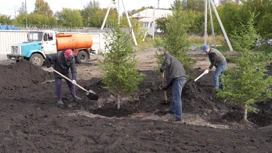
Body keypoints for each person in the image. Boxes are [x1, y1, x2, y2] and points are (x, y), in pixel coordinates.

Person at [160, 52, 187, 122]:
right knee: (174, 96)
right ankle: (173, 110)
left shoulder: (168, 57)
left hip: (179, 80)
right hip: (178, 79)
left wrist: (162, 68)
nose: (163, 60)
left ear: (164, 56)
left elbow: (166, 63)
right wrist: (166, 87)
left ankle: (178, 116)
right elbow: (173, 79)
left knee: (177, 98)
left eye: (162, 58)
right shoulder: (173, 61)